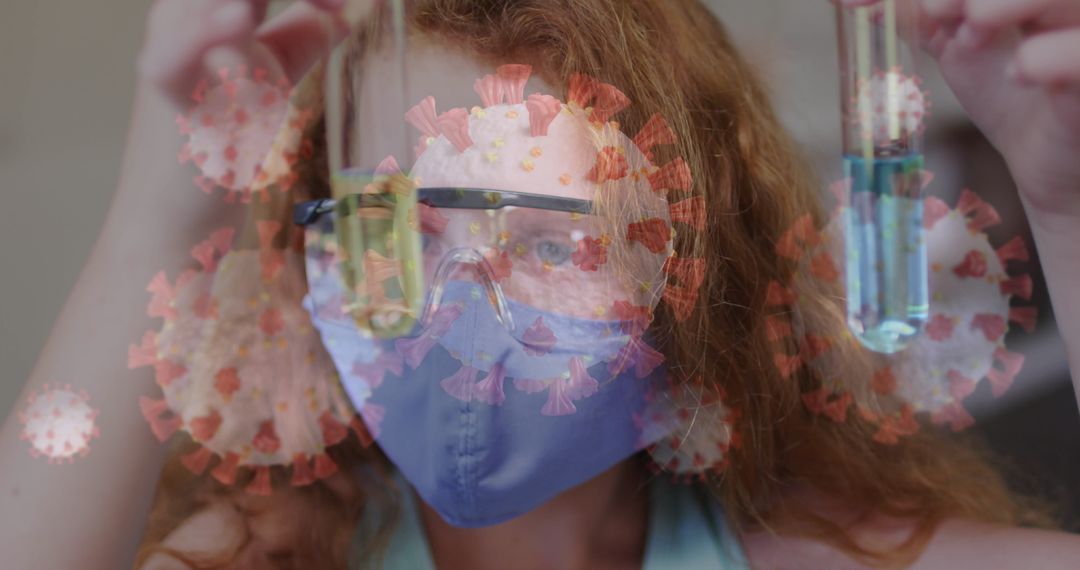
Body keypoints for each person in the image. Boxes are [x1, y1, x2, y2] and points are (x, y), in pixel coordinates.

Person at [1, 0, 1079, 569]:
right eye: (397, 231)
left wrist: (1065, 197)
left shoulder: (812, 555)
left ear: (694, 279)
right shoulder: (262, 556)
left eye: (558, 249)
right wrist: (161, 217)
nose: (460, 315)